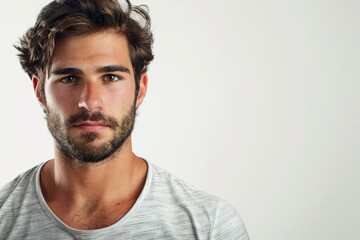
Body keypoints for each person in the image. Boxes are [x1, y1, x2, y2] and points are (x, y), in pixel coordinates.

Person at [0, 0, 249, 239]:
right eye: (69, 78)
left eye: (110, 77)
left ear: (140, 89)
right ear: (39, 92)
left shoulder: (210, 226)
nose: (90, 101)